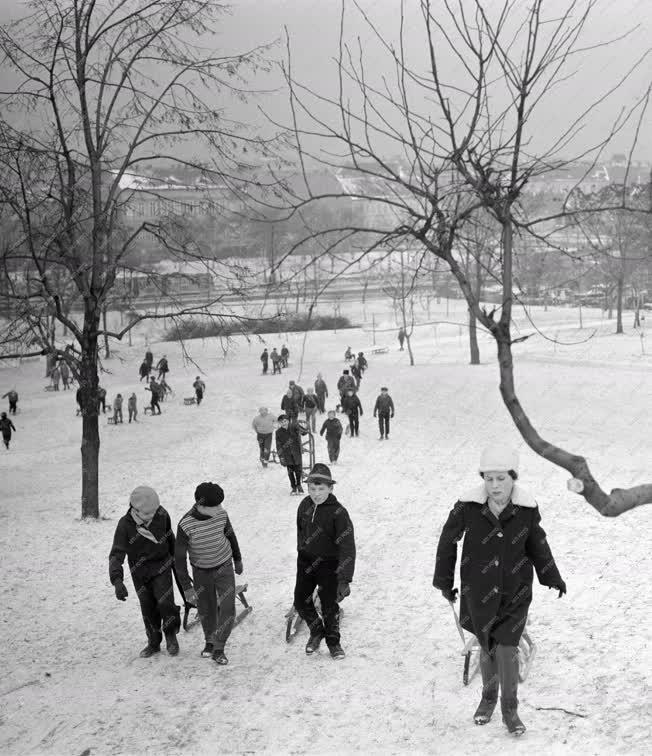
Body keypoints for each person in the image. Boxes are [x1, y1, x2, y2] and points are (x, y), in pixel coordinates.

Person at [432, 446, 566, 735]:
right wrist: (444, 581)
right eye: (489, 479)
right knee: (488, 647)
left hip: (514, 592)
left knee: (506, 650)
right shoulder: (467, 506)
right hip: (478, 590)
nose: (495, 486)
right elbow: (447, 540)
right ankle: (487, 699)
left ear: (513, 478)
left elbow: (537, 545)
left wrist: (551, 576)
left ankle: (510, 711)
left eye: (501, 479)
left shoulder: (526, 510)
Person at [175, 481, 243, 666]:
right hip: (201, 572)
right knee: (207, 609)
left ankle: (219, 646)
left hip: (224, 567)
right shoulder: (186, 524)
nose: (220, 508)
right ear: (201, 506)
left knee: (228, 607)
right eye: (216, 506)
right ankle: (210, 641)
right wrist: (187, 588)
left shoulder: (221, 514)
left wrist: (237, 559)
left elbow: (230, 535)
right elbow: (179, 559)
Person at [108, 486, 180, 658]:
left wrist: (178, 564)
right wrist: (117, 581)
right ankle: (153, 642)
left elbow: (171, 539)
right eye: (149, 513)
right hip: (139, 572)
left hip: (162, 566)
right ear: (137, 509)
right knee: (148, 608)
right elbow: (116, 554)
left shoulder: (162, 515)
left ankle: (171, 635)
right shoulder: (125, 525)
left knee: (165, 603)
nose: (153, 514)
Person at [294, 463, 356, 660]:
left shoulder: (339, 513)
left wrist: (344, 578)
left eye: (321, 489)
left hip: (329, 564)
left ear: (330, 488)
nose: (316, 494)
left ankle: (333, 642)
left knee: (329, 606)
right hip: (306, 561)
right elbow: (300, 530)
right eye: (312, 489)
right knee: (300, 601)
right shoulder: (304, 505)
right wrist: (301, 549)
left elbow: (347, 546)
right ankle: (316, 631)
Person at [275, 415, 306, 495]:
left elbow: (304, 433)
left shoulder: (294, 427)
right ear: (279, 423)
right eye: (281, 422)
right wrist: (281, 457)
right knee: (290, 471)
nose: (283, 423)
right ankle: (293, 487)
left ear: (288, 421)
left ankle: (299, 485)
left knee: (298, 470)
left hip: (296, 452)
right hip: (287, 454)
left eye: (285, 421)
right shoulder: (278, 432)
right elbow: (278, 445)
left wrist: (303, 428)